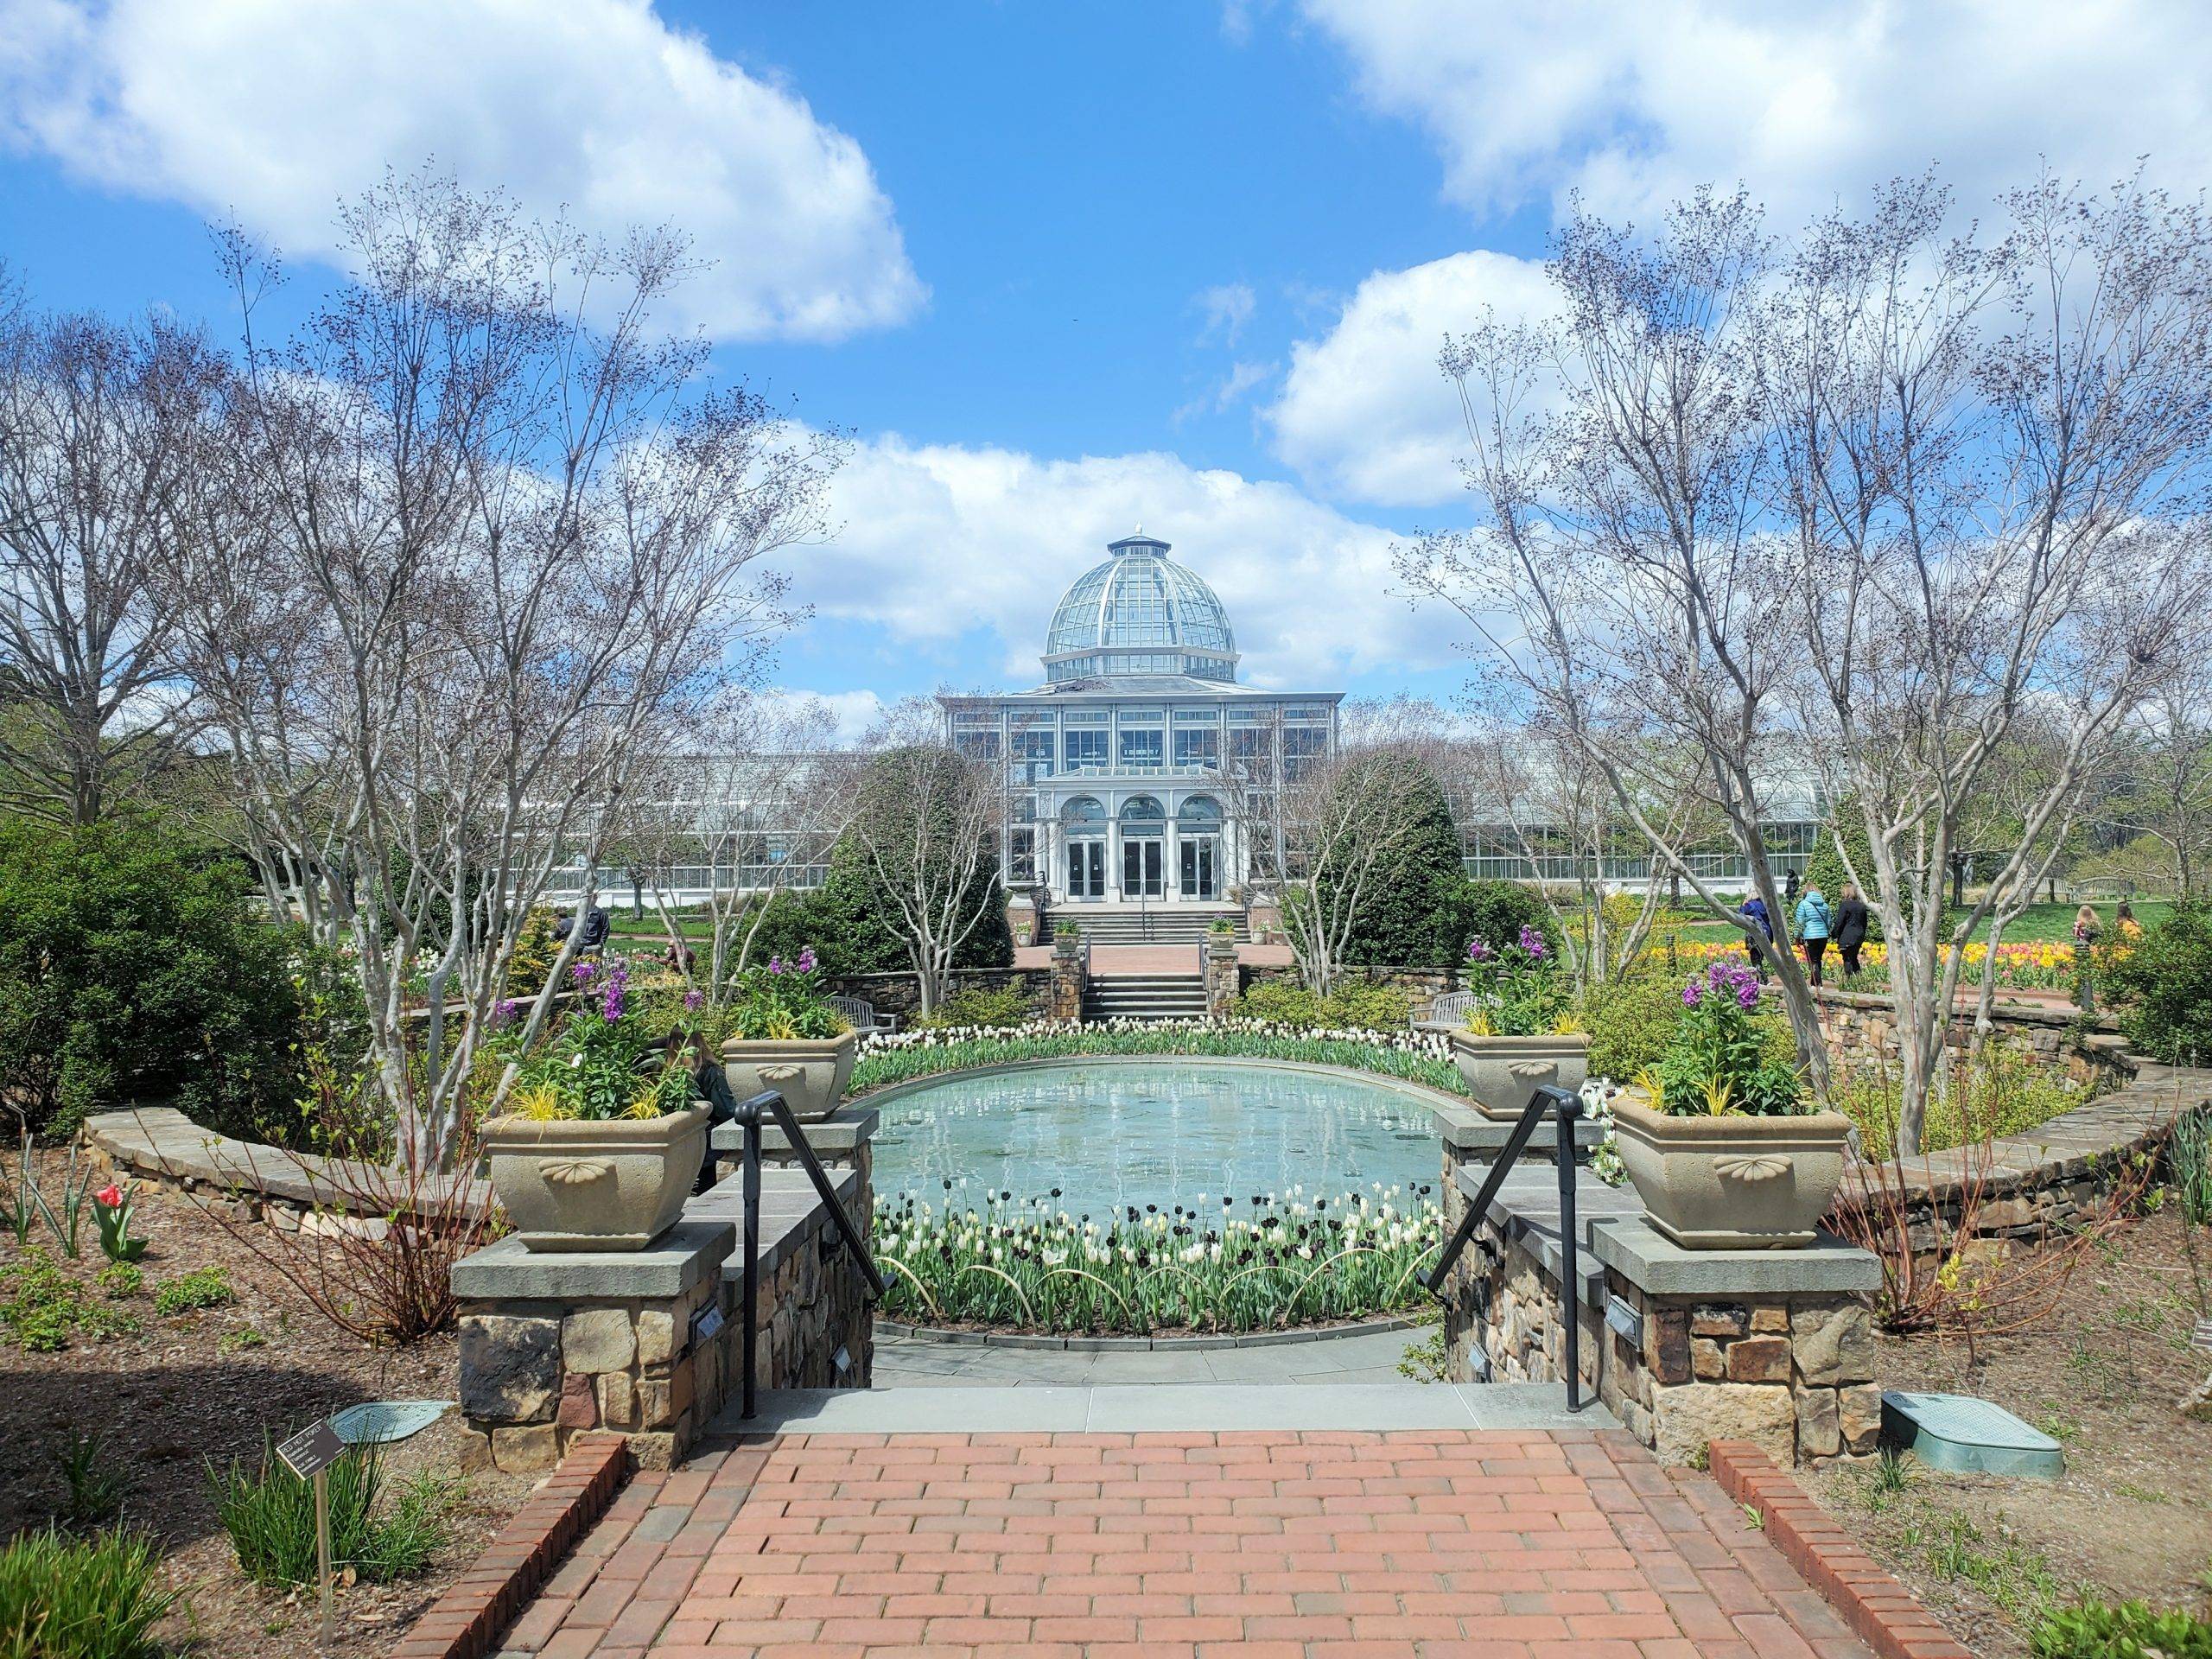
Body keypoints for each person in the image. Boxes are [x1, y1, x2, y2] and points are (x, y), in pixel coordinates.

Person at [1795, 884, 1833, 987]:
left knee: (1812, 960)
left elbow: (1799, 922)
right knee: (1817, 959)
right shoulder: (1824, 905)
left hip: (1809, 935)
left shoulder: (1803, 904)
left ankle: (1817, 984)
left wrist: (1797, 937)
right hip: (1823, 935)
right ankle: (1815, 983)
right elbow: (1829, 922)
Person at [1834, 883, 1870, 980]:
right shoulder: (1862, 906)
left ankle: (1849, 980)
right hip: (1859, 934)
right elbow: (1864, 923)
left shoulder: (1845, 905)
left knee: (1847, 958)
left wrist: (1835, 934)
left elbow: (1839, 922)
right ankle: (1859, 978)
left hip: (1847, 935)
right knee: (1853, 957)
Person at [1740, 893, 1776, 983]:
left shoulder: (1750, 905)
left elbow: (1740, 916)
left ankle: (1763, 981)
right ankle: (1761, 980)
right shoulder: (1765, 906)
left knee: (1755, 959)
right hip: (1767, 933)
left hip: (1755, 935)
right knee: (1760, 958)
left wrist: (1743, 904)